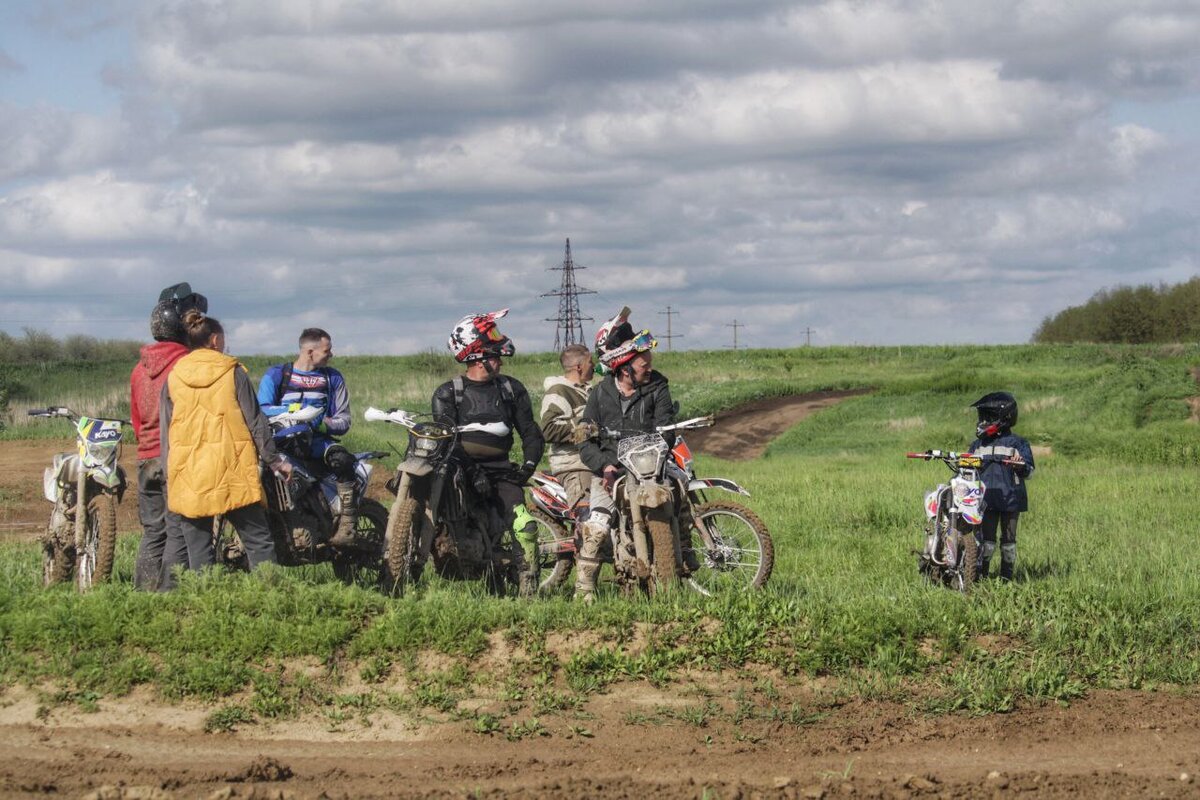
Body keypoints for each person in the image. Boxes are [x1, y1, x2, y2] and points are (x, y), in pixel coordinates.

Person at [159, 310, 291, 588]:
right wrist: (275, 461)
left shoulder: (173, 378)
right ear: (215, 340)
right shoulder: (231, 372)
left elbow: (166, 432)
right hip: (232, 470)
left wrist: (170, 475)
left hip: (190, 473)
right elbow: (256, 422)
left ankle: (206, 610)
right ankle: (273, 603)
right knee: (259, 543)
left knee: (199, 553)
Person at [433, 309, 545, 595]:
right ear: (474, 353)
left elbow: (530, 432)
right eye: (492, 342)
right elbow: (446, 441)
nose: (499, 351)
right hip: (459, 471)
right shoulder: (448, 393)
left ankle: (529, 586)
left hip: (502, 471)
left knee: (526, 525)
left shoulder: (511, 388)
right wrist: (473, 472)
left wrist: (527, 467)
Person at [577, 307, 675, 602]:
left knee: (680, 507)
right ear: (623, 366)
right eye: (643, 364)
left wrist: (655, 454)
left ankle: (682, 566)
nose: (649, 367)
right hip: (612, 473)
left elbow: (667, 430)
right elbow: (583, 441)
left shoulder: (658, 385)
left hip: (652, 469)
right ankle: (583, 595)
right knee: (594, 530)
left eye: (648, 362)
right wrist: (604, 466)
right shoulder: (598, 394)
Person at [129, 284, 205, 590]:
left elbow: (136, 418)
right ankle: (170, 596)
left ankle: (143, 595)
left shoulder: (138, 369)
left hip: (146, 457)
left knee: (152, 532)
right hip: (174, 457)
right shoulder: (185, 364)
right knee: (180, 532)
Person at [257, 328, 356, 546]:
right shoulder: (277, 374)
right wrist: (291, 411)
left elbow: (344, 420)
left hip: (318, 442)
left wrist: (320, 422)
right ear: (310, 351)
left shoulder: (333, 378)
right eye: (327, 350)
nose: (331, 354)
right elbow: (260, 409)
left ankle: (348, 523)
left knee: (343, 459)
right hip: (280, 441)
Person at [969, 391, 1035, 581]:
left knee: (1008, 543)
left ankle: (1007, 577)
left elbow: (1030, 471)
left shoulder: (1018, 443)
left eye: (987, 417)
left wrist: (1020, 465)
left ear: (1003, 418)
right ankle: (981, 576)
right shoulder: (977, 445)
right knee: (986, 542)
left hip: (1011, 500)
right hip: (986, 501)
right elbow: (964, 468)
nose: (983, 421)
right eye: (982, 417)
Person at [539, 343, 596, 517]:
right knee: (589, 518)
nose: (594, 365)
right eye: (590, 362)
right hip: (574, 465)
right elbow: (548, 430)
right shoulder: (559, 391)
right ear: (579, 367)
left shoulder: (588, 390)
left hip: (594, 462)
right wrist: (587, 429)